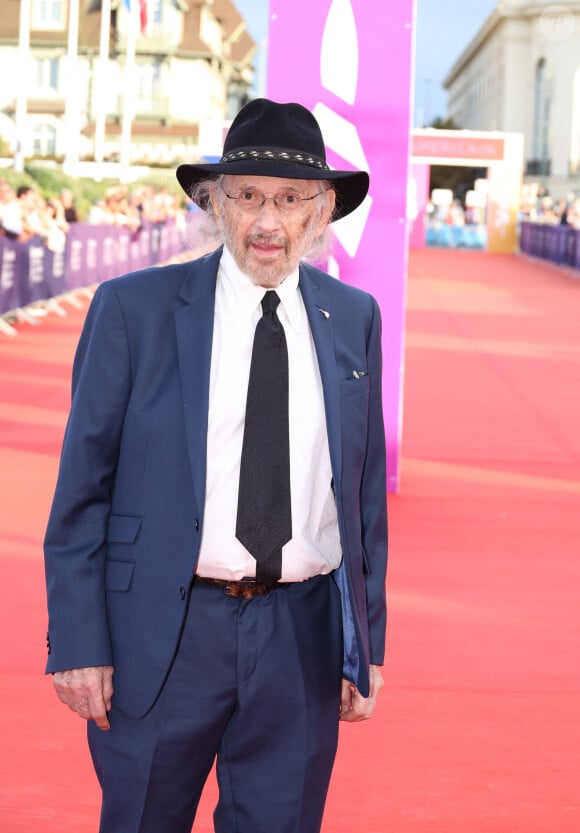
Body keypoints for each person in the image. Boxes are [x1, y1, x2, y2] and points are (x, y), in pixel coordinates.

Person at [44, 97, 388, 833]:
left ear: (323, 212)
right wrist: (78, 641)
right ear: (213, 203)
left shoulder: (354, 317)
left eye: (292, 199)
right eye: (248, 197)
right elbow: (82, 491)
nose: (269, 221)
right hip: (164, 633)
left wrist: (368, 642)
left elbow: (361, 498)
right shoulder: (132, 310)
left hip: (301, 635)